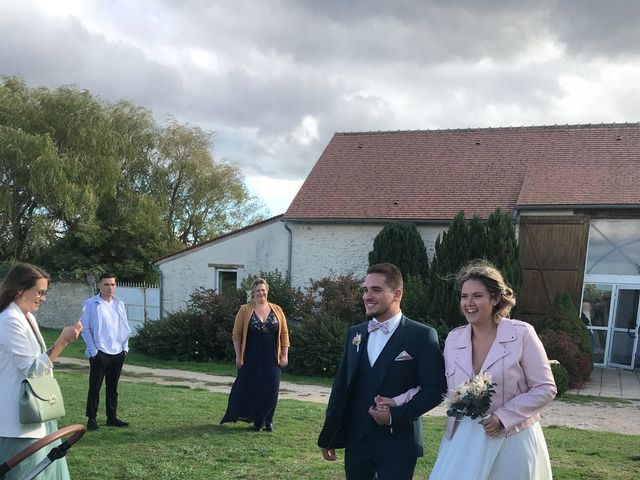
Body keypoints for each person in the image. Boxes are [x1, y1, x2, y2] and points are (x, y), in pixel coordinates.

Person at [426, 259, 556, 479]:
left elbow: (545, 388)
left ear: (496, 298)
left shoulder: (522, 334)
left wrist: (502, 417)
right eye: (464, 296)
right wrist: (397, 401)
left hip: (513, 438)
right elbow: (441, 387)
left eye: (477, 296)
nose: (469, 303)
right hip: (464, 440)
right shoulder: (453, 339)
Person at [317, 263, 447, 480]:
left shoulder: (422, 336)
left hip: (398, 444)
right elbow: (341, 388)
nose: (368, 296)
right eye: (365, 290)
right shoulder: (355, 334)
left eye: (376, 290)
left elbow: (435, 390)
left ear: (397, 294)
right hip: (356, 442)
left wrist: (393, 416)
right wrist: (329, 435)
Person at [0, 263, 83, 480]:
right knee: (27, 473)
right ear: (20, 289)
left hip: (39, 411)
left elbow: (37, 360)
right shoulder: (9, 320)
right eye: (39, 292)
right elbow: (32, 369)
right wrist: (63, 341)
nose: (43, 298)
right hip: (19, 417)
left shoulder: (27, 317)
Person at [220, 278, 290, 431]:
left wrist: (284, 355)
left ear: (267, 291)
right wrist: (239, 356)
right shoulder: (244, 309)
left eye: (263, 290)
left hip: (272, 355)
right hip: (251, 355)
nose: (261, 293)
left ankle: (268, 420)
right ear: (253, 292)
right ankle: (257, 420)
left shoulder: (277, 309)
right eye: (258, 290)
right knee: (252, 387)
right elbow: (236, 335)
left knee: (272, 387)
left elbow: (284, 333)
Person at [80, 273, 131, 431]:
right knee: (95, 386)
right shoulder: (91, 304)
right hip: (99, 352)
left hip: (117, 352)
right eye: (107, 284)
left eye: (113, 284)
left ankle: (112, 417)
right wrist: (93, 350)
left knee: (112, 387)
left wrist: (125, 348)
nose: (110, 288)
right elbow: (85, 328)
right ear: (99, 286)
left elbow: (124, 326)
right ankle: (92, 418)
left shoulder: (119, 304)